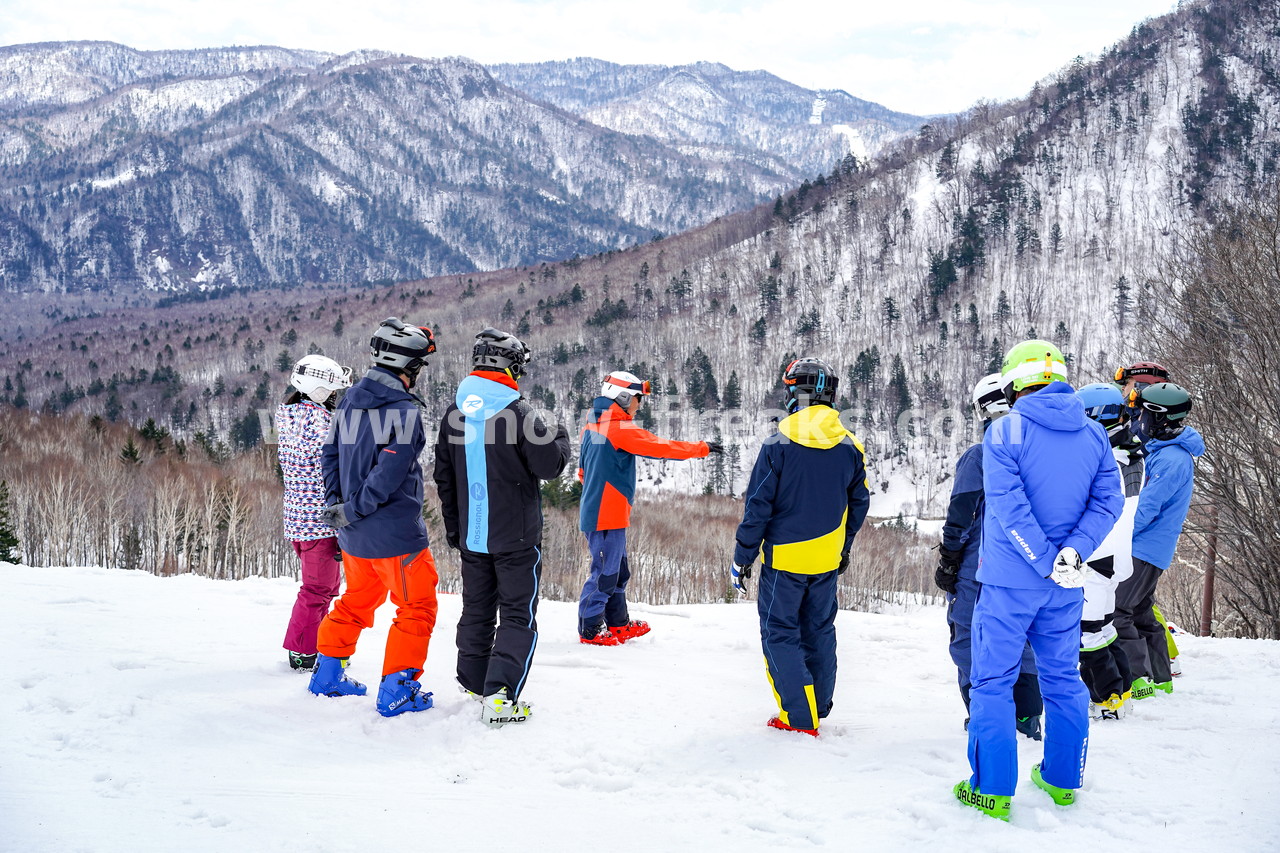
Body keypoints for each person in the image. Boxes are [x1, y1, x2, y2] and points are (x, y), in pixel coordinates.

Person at [954, 340, 1122, 821]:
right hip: (1066, 585)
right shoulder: (1093, 434)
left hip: (1010, 583)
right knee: (1063, 679)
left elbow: (1008, 508)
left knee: (992, 682)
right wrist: (1072, 554)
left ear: (1017, 380)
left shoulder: (1005, 431)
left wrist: (1045, 558)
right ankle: (1063, 780)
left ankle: (991, 790)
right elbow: (1108, 502)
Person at [433, 328, 571, 727]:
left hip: (473, 537)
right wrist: (557, 431)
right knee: (517, 614)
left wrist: (455, 529)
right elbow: (551, 466)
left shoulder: (454, 411)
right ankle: (501, 695)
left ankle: (475, 681)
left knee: (477, 607)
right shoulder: (521, 413)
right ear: (510, 366)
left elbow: (444, 477)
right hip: (516, 537)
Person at [308, 317, 441, 718]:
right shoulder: (403, 411)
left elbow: (330, 453)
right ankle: (398, 690)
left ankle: (327, 675)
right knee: (417, 606)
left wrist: (340, 506)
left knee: (356, 600)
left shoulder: (348, 399)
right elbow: (388, 477)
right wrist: (352, 508)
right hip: (394, 536)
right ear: (407, 366)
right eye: (418, 366)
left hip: (354, 535)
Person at [731, 357, 870, 737]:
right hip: (826, 560)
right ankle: (817, 703)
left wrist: (742, 558)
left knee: (779, 632)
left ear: (793, 393)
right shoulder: (849, 445)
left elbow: (758, 506)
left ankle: (799, 715)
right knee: (820, 629)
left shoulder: (778, 441)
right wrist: (843, 547)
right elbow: (859, 504)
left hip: (784, 560)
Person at [577, 370, 721, 645]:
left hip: (603, 510)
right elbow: (661, 447)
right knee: (605, 573)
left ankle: (618, 625)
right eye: (636, 398)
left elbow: (583, 471)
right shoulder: (616, 427)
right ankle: (590, 629)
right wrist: (701, 448)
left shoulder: (593, 425)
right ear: (621, 397)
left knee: (617, 571)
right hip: (605, 514)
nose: (639, 404)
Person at [936, 373, 1043, 740]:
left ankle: (984, 717)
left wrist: (949, 559)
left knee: (968, 638)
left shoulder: (981, 454)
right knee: (1023, 637)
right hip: (1032, 566)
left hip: (979, 567)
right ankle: (1027, 716)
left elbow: (962, 512)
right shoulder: (1040, 453)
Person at [1114, 382, 1202, 700]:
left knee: (1117, 609)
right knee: (1140, 612)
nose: (1138, 418)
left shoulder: (1172, 460)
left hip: (1144, 547)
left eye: (1143, 412)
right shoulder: (1163, 451)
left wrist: (1116, 536)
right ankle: (1161, 679)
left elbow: (1147, 508)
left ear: (1160, 418)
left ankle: (1139, 681)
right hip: (1150, 547)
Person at [1075, 383, 1145, 719]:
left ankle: (1107, 698)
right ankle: (1123, 692)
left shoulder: (1108, 460)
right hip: (1116, 556)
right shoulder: (1132, 452)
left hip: (1097, 557)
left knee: (1088, 634)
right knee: (1104, 629)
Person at [278, 354, 353, 672]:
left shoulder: (289, 414)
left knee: (320, 588)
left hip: (298, 520)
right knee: (318, 590)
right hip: (320, 525)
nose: (336, 397)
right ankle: (304, 651)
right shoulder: (323, 426)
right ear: (321, 391)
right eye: (333, 392)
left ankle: (313, 645)